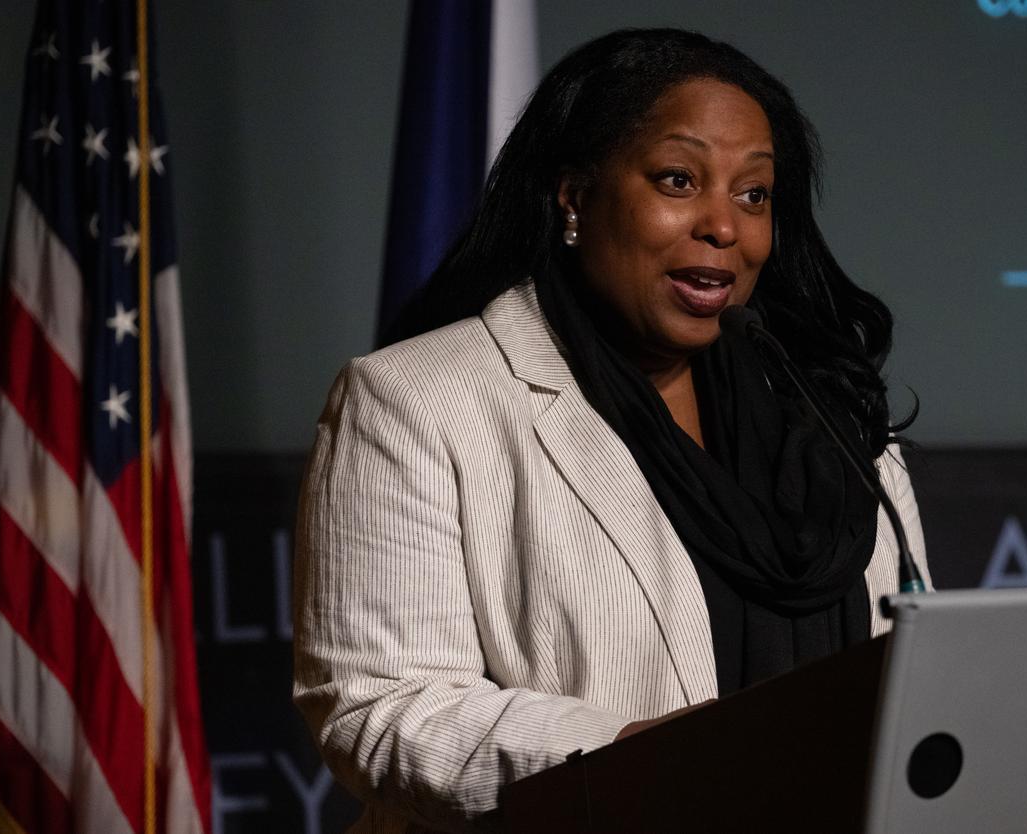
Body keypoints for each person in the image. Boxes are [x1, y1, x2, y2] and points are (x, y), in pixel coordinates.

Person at [293, 28, 930, 833]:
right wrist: (655, 755)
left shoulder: (831, 413)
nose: (724, 227)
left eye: (754, 194)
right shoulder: (415, 399)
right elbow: (379, 711)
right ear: (574, 195)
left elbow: (913, 676)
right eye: (678, 179)